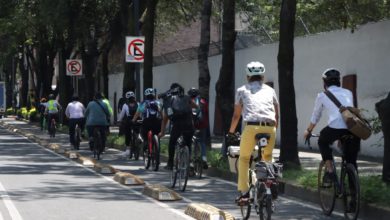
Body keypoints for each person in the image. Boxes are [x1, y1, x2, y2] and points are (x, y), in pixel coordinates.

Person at [228, 61, 279, 203]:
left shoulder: (242, 90)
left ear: (248, 76)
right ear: (262, 76)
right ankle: (270, 181)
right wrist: (274, 130)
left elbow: (236, 116)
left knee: (244, 159)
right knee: (267, 156)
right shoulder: (270, 90)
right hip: (270, 127)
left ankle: (244, 193)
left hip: (251, 127)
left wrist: (231, 132)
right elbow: (276, 114)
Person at [303, 68, 360, 186]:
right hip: (352, 128)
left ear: (325, 82)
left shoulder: (322, 96)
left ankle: (329, 171)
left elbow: (316, 116)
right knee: (351, 161)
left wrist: (308, 130)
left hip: (335, 128)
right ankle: (354, 195)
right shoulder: (348, 92)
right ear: (338, 81)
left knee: (322, 141)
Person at [159, 83, 195, 170]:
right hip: (189, 124)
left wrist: (162, 132)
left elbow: (165, 119)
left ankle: (170, 163)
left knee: (172, 142)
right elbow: (196, 107)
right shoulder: (187, 98)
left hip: (177, 125)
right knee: (188, 143)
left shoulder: (170, 101)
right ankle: (189, 164)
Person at [133, 88, 162, 156]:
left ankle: (146, 145)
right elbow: (162, 114)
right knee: (157, 136)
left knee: (144, 134)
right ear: (154, 95)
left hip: (146, 122)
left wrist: (133, 121)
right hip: (157, 122)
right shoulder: (158, 103)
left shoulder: (142, 103)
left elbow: (137, 114)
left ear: (145, 95)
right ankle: (157, 151)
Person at [188, 87, 209, 169]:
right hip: (202, 125)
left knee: (189, 142)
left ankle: (191, 163)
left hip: (191, 125)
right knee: (202, 142)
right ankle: (204, 158)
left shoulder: (188, 101)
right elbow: (206, 113)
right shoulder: (203, 101)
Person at [117, 91, 139, 158]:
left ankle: (128, 149)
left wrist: (119, 120)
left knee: (127, 133)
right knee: (138, 129)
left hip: (129, 121)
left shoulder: (125, 105)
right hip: (137, 120)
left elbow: (122, 114)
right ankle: (139, 136)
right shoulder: (138, 103)